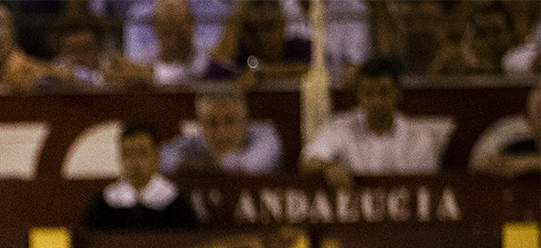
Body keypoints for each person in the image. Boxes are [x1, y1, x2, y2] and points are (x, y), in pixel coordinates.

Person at [300, 55, 442, 187]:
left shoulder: (418, 136)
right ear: (359, 95)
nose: (376, 101)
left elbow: (427, 185)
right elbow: (307, 161)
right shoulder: (340, 127)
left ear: (397, 93)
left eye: (384, 92)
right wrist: (328, 166)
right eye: (368, 93)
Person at [83, 121, 198, 229]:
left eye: (142, 153)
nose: (134, 162)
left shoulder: (177, 206)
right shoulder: (103, 206)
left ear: (156, 156)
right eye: (127, 154)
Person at [160, 83, 283, 174]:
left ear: (244, 121)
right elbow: (162, 157)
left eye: (230, 121)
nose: (221, 132)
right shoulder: (197, 141)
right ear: (200, 125)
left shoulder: (265, 136)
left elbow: (251, 166)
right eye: (212, 123)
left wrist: (206, 166)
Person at [204, 0, 310, 79]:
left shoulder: (300, 48)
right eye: (251, 29)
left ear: (282, 24)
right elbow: (214, 72)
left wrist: (261, 73)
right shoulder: (240, 59)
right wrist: (233, 24)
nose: (261, 36)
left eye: (268, 26)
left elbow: (313, 70)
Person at [469, 80, 539, 178]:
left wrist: (530, 163)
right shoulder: (517, 146)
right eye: (539, 113)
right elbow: (479, 165)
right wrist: (492, 165)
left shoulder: (523, 158)